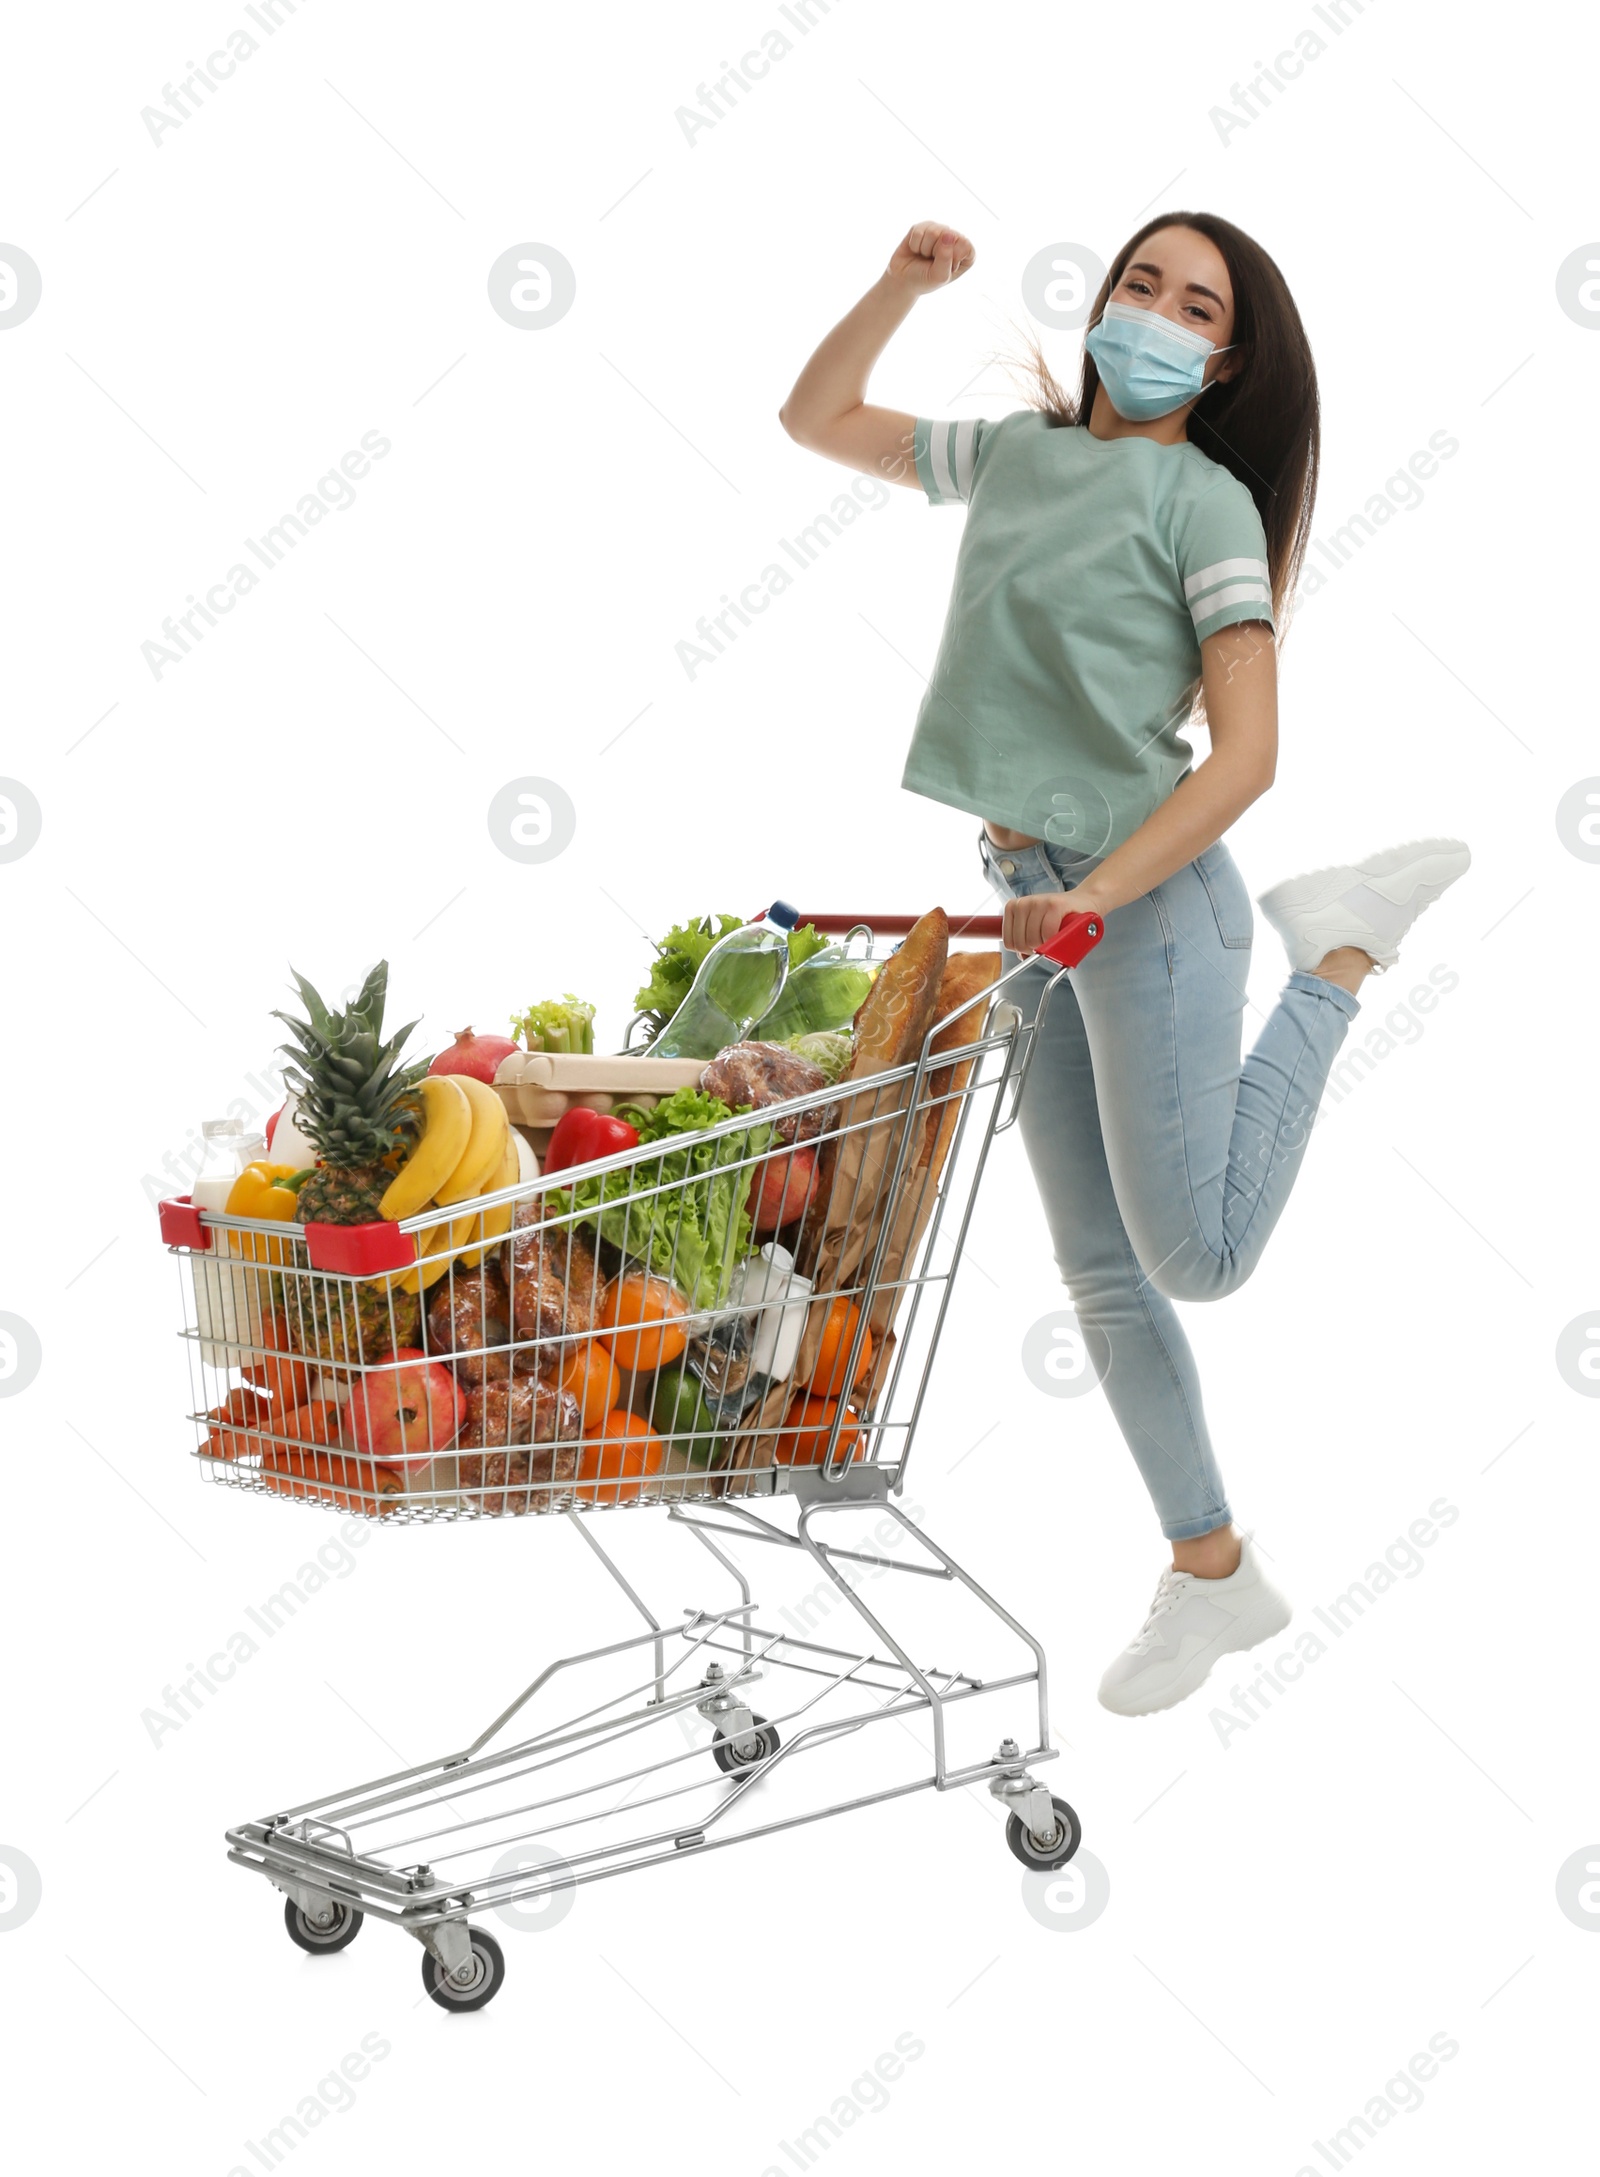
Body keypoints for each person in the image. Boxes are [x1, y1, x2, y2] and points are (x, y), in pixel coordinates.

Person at [779, 214, 1469, 1717]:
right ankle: (1215, 1572)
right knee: (1105, 1276)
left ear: (1224, 360)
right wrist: (900, 287)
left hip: (1146, 908)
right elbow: (815, 418)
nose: (1155, 312)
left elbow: (1253, 756)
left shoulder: (1206, 507)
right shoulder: (1016, 459)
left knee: (1197, 1262)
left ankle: (1339, 948)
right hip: (1038, 902)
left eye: (1195, 305)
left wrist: (1096, 891)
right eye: (1139, 283)